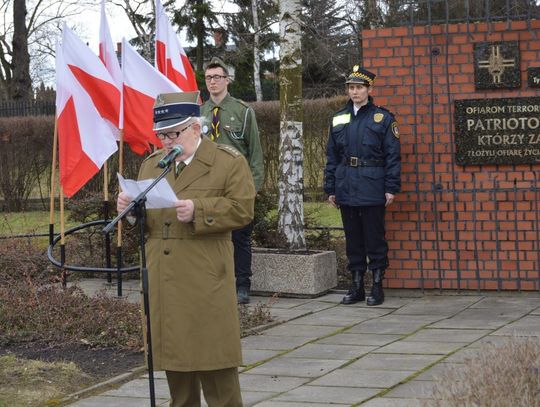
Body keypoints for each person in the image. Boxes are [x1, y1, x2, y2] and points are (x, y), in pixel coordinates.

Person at [117, 91, 255, 406]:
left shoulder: (227, 162)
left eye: (173, 133)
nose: (166, 141)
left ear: (196, 127)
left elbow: (243, 209)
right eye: (161, 135)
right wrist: (131, 211)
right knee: (177, 375)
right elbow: (148, 223)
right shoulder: (153, 166)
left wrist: (200, 210)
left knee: (218, 373)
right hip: (165, 281)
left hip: (206, 277)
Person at [324, 65, 401, 306]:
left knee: (374, 237)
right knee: (353, 238)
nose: (354, 92)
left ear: (369, 89)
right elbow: (332, 156)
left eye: (359, 87)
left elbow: (392, 156)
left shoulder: (383, 117)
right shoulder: (339, 117)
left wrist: (391, 187)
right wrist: (331, 188)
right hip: (346, 183)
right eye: (351, 88)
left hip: (372, 185)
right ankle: (356, 285)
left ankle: (376, 286)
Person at [201, 56, 264, 304]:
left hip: (237, 186)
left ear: (227, 80)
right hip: (208, 186)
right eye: (208, 78)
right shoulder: (200, 113)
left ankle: (242, 285)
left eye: (217, 77)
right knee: (210, 236)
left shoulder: (242, 111)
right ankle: (215, 282)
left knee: (240, 237)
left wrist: (253, 188)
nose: (213, 82)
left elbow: (255, 153)